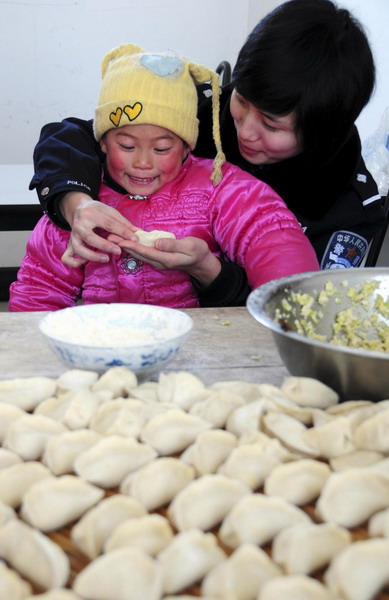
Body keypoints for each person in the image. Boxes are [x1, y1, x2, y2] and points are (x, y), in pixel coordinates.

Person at [28, 0, 386, 306]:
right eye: (242, 101)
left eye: (272, 125)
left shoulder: (349, 210)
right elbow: (74, 135)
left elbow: (302, 312)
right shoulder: (199, 112)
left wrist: (208, 271)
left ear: (322, 132)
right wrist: (75, 202)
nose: (244, 131)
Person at [9, 44, 318, 312]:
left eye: (162, 148)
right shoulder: (84, 206)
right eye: (126, 145)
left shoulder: (218, 186)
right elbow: (40, 291)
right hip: (102, 350)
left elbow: (272, 238)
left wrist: (291, 315)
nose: (143, 162)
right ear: (101, 142)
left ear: (186, 146)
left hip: (197, 354)